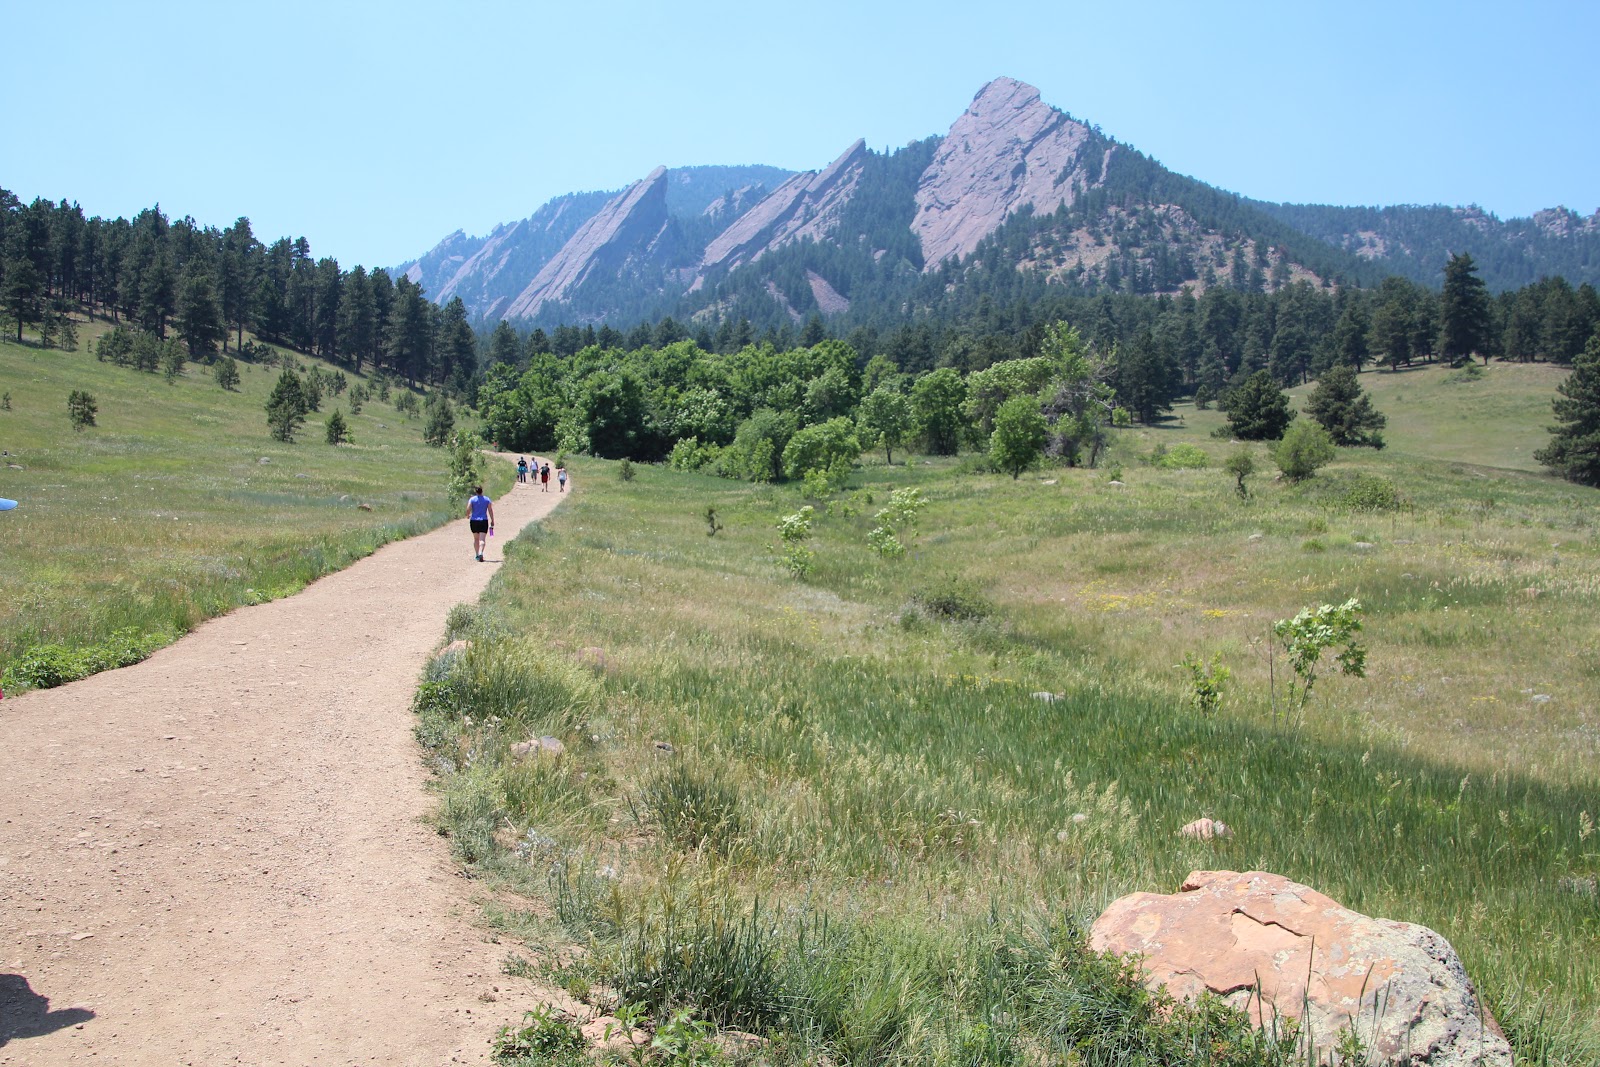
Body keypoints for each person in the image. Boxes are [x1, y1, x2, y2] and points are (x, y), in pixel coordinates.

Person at [466, 485, 495, 561]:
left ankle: (476, 555)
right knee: (482, 539)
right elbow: (490, 510)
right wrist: (492, 520)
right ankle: (481, 552)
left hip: (474, 520)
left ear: (476, 492)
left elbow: (468, 508)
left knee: (476, 539)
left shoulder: (472, 499)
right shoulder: (487, 499)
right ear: (482, 491)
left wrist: (468, 515)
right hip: (483, 520)